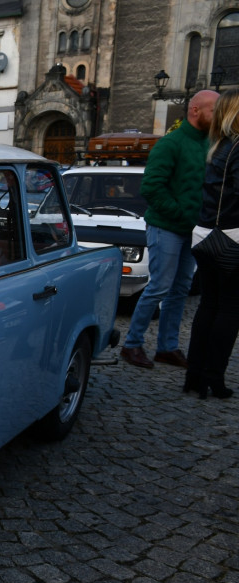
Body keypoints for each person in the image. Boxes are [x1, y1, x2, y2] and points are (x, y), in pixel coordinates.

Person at [120, 89, 220, 369]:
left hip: (192, 230)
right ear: (195, 110)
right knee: (159, 287)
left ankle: (167, 347)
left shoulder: (210, 143)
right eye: (214, 111)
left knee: (181, 289)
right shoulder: (170, 143)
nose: (218, 117)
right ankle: (132, 344)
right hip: (167, 227)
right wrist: (181, 215)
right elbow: (151, 188)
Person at [185, 89, 239, 399]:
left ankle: (194, 375)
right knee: (230, 309)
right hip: (230, 237)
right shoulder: (237, 148)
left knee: (208, 305)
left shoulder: (216, 146)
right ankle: (213, 377)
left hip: (204, 235)